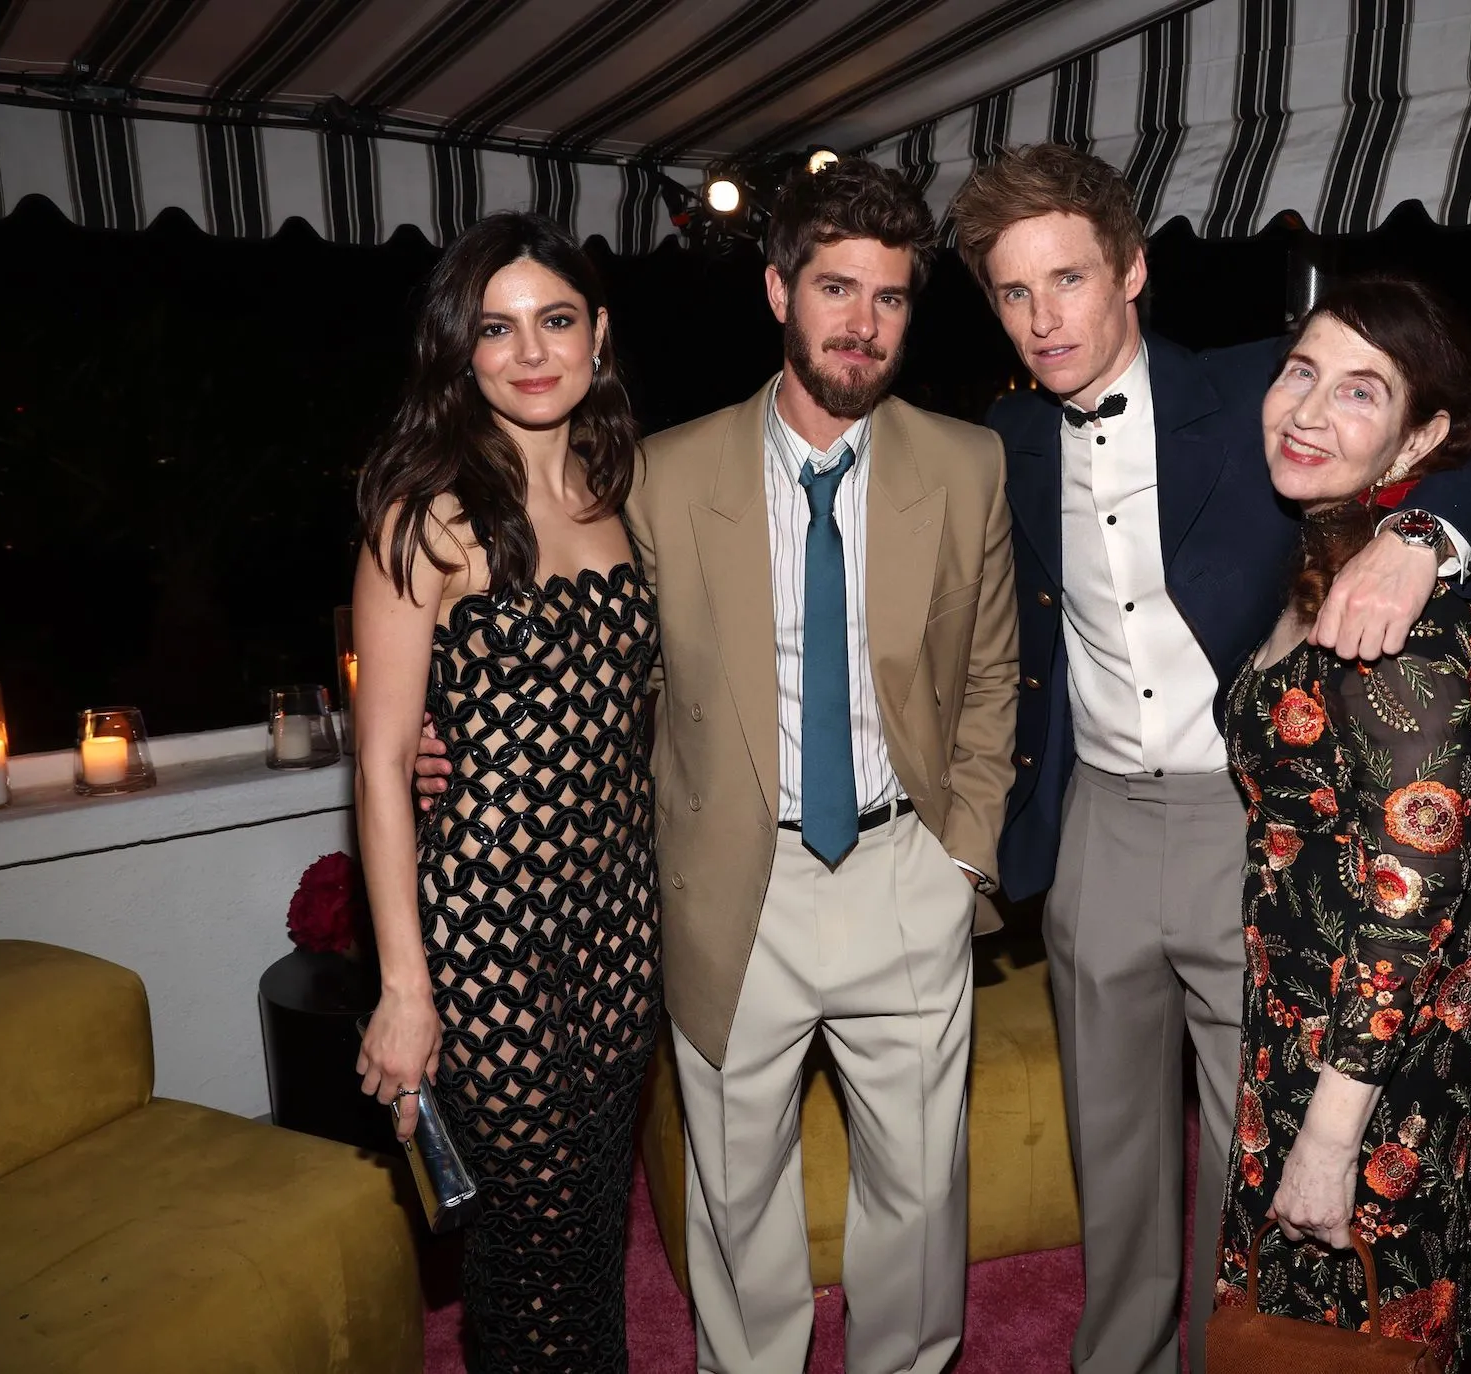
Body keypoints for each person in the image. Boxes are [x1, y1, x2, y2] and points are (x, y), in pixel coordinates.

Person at [948, 144, 1471, 1374]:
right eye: (1012, 292)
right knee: (1107, 1148)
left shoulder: (1265, 393)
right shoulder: (997, 440)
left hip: (1253, 831)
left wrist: (1423, 537)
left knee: (1254, 1149)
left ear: (1132, 271)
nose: (1042, 318)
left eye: (1067, 279)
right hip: (1097, 831)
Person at [624, 160, 1017, 1374]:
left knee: (919, 1189)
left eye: (890, 298)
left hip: (904, 867)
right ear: (775, 290)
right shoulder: (663, 477)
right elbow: (617, 695)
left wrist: (961, 856)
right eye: (835, 288)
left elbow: (993, 678)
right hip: (737, 884)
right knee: (736, 1199)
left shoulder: (965, 466)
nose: (862, 322)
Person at [350, 211, 658, 1372]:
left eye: (556, 320)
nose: (531, 352)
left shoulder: (621, 487)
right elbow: (381, 763)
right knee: (526, 1251)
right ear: (458, 349)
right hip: (490, 932)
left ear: (598, 336)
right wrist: (403, 989)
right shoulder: (426, 511)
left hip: (622, 922)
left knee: (591, 1232)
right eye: (496, 327)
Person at [1215, 274, 1471, 1373]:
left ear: (1415, 437)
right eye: (1299, 372)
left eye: (1357, 392)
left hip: (1372, 1057)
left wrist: (1332, 1141)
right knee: (1292, 1327)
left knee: (1358, 1333)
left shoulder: (1404, 612)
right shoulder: (1331, 550)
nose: (1304, 410)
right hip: (1305, 1017)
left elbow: (1418, 878)